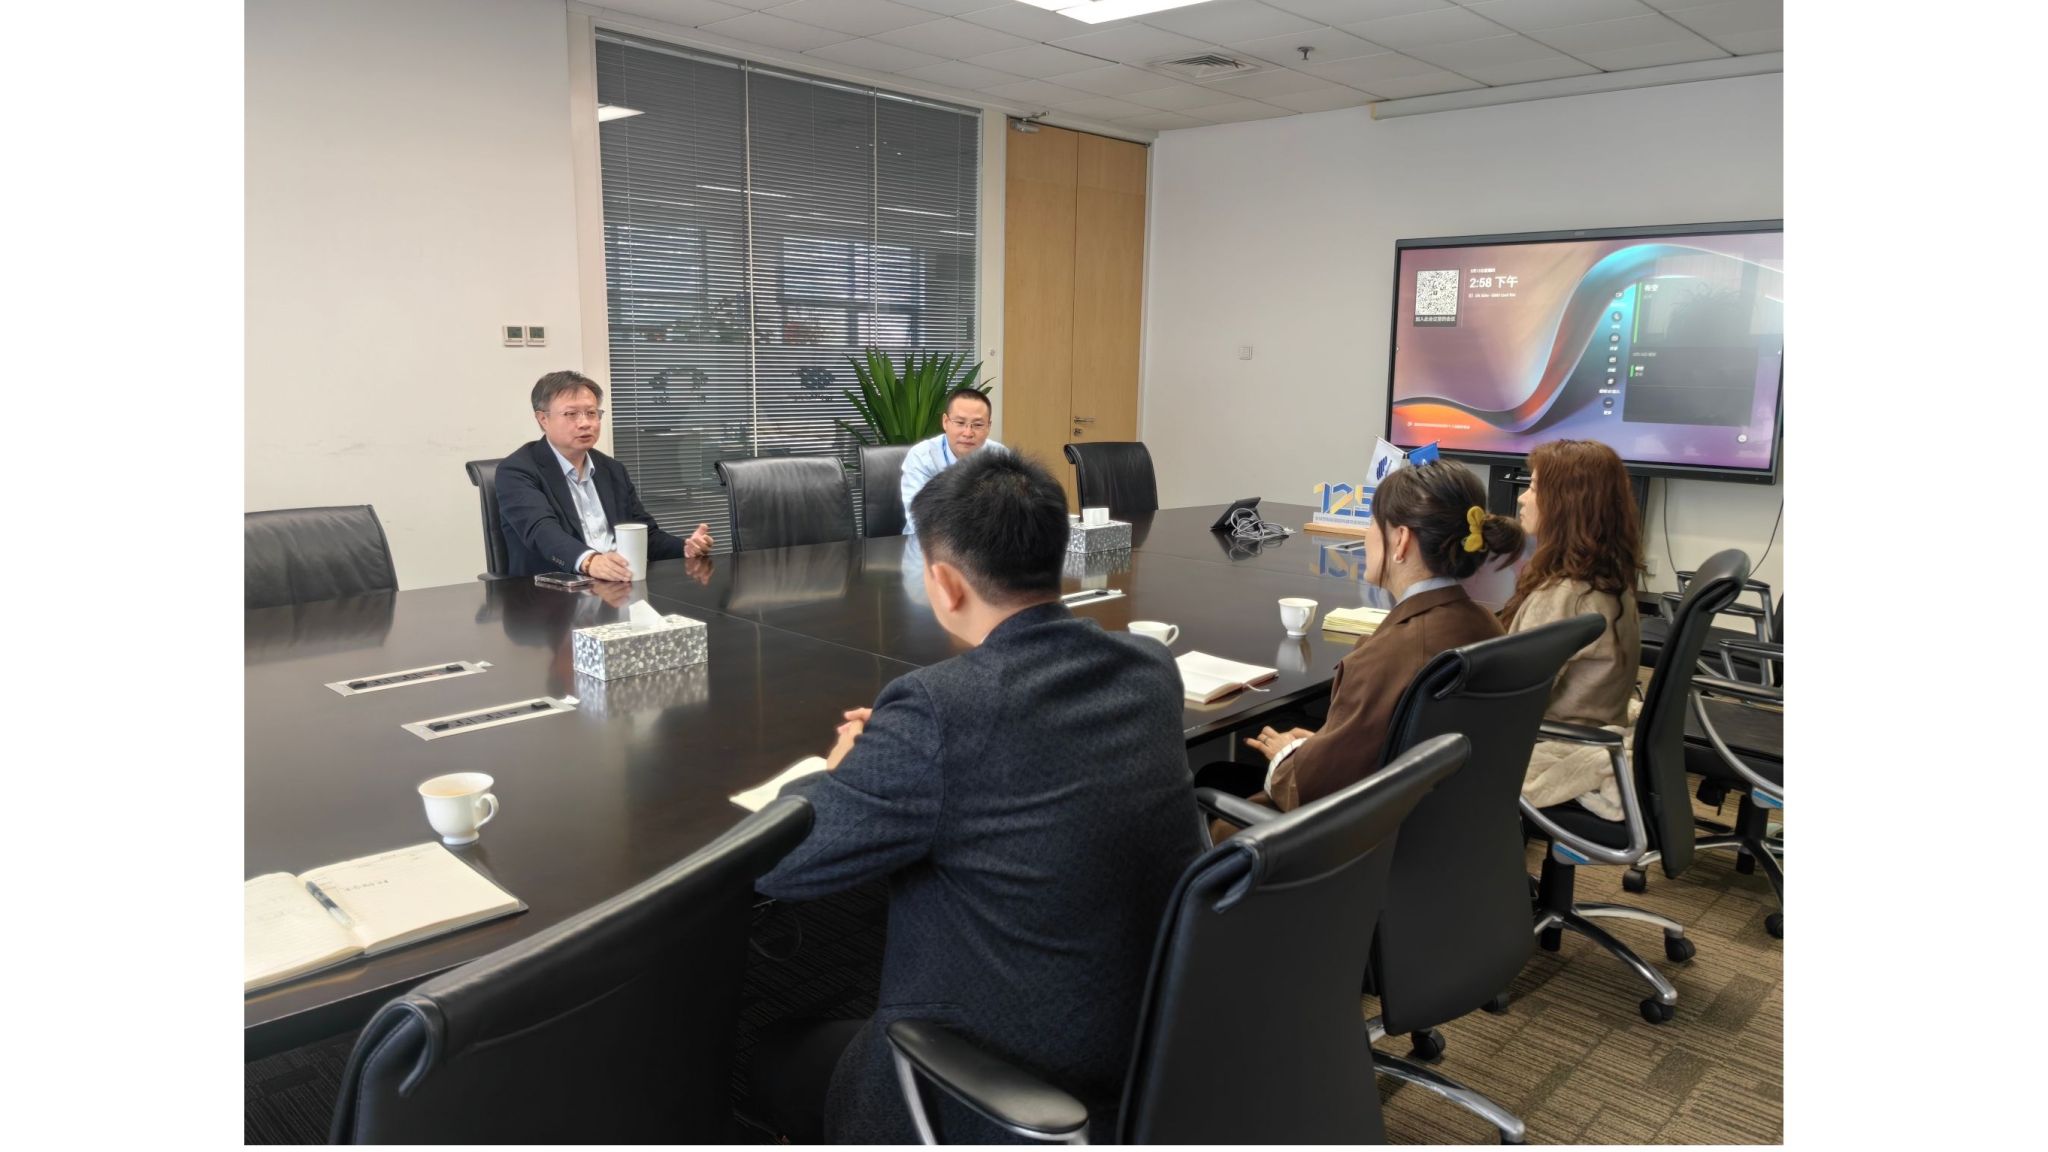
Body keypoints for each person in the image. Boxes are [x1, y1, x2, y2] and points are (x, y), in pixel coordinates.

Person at [747, 450, 1203, 1144]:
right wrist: (902, 752)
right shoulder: (1149, 667)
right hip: (1151, 1037)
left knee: (759, 1054)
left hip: (1004, 1076)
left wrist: (842, 767)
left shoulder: (939, 709)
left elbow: (783, 863)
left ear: (944, 583)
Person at [1217, 462, 1525, 831]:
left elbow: (1317, 792)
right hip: (1441, 827)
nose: (1366, 536)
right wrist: (1324, 745)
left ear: (1401, 541)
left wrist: (1289, 756)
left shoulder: (1389, 654)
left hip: (1353, 840)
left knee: (1214, 785)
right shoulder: (1485, 624)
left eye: (1373, 524)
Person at [1504, 440, 1645, 819]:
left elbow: (1509, 700)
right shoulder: (1608, 580)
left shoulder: (1566, 595)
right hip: (1595, 728)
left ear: (1566, 503)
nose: (1522, 498)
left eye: (1534, 488)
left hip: (1553, 744)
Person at [495, 370, 713, 579]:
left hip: (618, 583)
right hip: (555, 592)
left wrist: (684, 548)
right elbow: (542, 532)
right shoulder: (517, 471)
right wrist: (590, 561)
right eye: (571, 414)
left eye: (591, 413)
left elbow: (644, 534)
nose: (585, 423)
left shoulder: (611, 469)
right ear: (543, 419)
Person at [898, 387, 1003, 535]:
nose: (968, 433)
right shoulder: (922, 457)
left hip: (986, 543)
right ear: (945, 422)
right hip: (926, 544)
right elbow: (920, 519)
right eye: (960, 422)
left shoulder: (1000, 457)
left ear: (988, 427)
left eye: (978, 425)